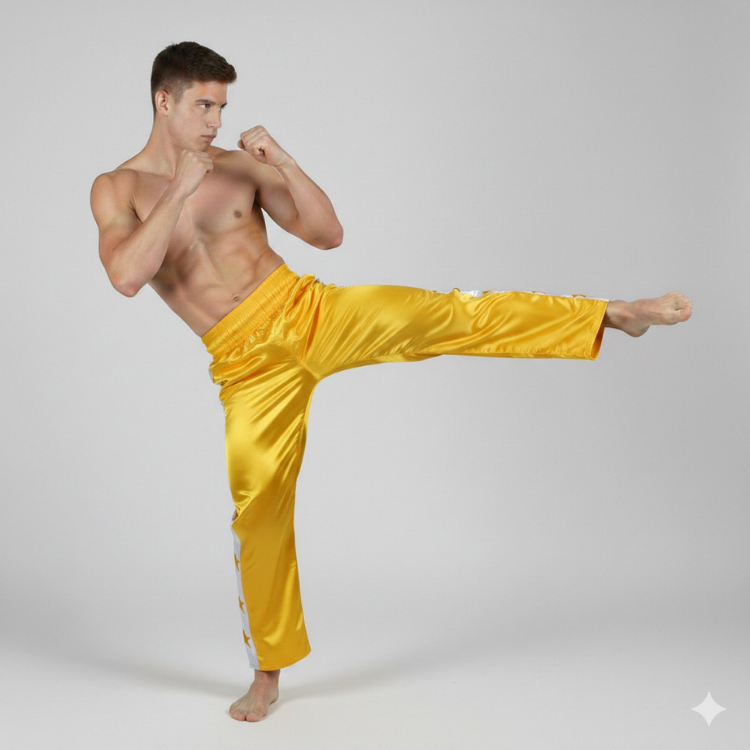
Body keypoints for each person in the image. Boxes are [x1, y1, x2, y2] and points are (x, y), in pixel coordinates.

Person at [90, 41, 692, 723]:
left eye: (222, 107)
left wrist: (283, 161)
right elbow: (127, 276)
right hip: (246, 365)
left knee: (446, 313)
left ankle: (610, 315)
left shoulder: (236, 166)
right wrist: (178, 190)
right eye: (204, 106)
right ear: (163, 100)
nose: (215, 121)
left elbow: (329, 235)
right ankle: (267, 673)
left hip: (308, 310)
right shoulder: (117, 188)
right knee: (258, 508)